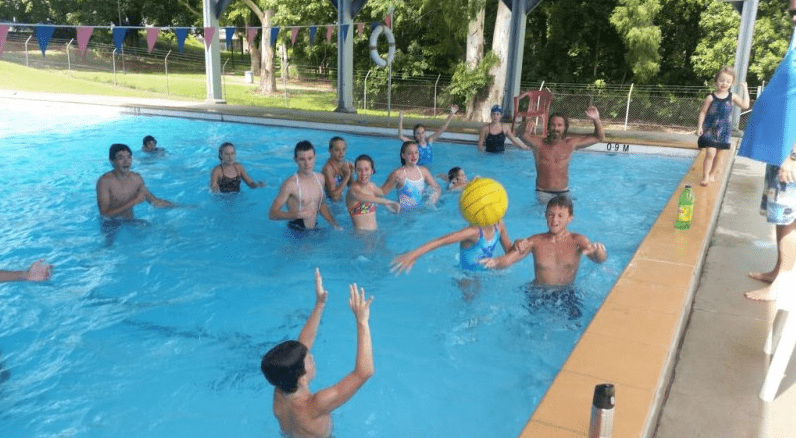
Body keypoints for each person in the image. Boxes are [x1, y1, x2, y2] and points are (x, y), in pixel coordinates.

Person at [260, 268, 374, 438]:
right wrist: (362, 321)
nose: (312, 357)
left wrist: (319, 304)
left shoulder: (279, 388)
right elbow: (364, 373)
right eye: (309, 360)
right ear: (302, 378)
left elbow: (301, 346)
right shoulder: (315, 405)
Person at [741, 0, 796, 301]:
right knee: (781, 216)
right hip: (781, 151)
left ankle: (783, 284)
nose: (792, 13)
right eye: (791, 11)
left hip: (791, 155)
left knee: (788, 218)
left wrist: (792, 156)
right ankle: (778, 270)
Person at [480, 195, 607, 284]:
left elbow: (599, 260)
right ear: (545, 215)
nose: (554, 220)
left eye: (560, 216)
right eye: (551, 214)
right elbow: (509, 259)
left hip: (566, 293)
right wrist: (493, 262)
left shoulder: (578, 241)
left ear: (570, 218)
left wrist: (599, 251)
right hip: (538, 293)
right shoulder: (535, 241)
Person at [521, 106, 606, 203]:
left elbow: (599, 138)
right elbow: (521, 135)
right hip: (543, 193)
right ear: (548, 126)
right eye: (553, 125)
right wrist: (526, 122)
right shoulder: (538, 144)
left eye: (559, 125)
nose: (556, 128)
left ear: (565, 127)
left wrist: (596, 119)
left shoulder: (571, 144)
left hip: (564, 192)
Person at [390, 219, 512, 275]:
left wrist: (519, 245)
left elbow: (510, 253)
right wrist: (413, 255)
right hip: (466, 275)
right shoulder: (473, 232)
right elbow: (441, 241)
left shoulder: (500, 225)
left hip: (489, 272)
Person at [269, 141, 341, 231]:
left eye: (310, 158)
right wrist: (296, 215)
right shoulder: (290, 184)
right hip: (296, 231)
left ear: (315, 157)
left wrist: (334, 224)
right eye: (302, 159)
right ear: (296, 160)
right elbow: (272, 213)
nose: (307, 164)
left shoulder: (320, 179)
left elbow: (321, 205)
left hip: (314, 227)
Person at [697, 66, 750, 186]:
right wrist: (699, 126)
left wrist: (745, 89)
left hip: (724, 131)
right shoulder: (710, 97)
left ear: (731, 83)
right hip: (710, 129)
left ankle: (712, 174)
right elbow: (703, 112)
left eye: (728, 81)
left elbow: (745, 105)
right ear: (716, 81)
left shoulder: (732, 97)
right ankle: (705, 176)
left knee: (719, 155)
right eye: (721, 80)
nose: (724, 83)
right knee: (710, 153)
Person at [96, 144, 174, 219]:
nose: (126, 162)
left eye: (129, 157)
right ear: (112, 161)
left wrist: (181, 207)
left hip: (129, 221)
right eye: (120, 158)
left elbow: (154, 201)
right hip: (109, 224)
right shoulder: (104, 182)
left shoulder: (136, 178)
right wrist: (134, 202)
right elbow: (104, 214)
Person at [381, 141, 441, 210]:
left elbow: (437, 188)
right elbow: (380, 194)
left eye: (416, 152)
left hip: (420, 214)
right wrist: (389, 204)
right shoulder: (398, 174)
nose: (414, 156)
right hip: (402, 216)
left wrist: (432, 200)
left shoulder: (423, 171)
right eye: (410, 153)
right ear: (403, 155)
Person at [346, 155, 400, 231]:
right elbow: (362, 197)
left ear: (371, 171)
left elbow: (382, 192)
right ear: (355, 171)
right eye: (359, 170)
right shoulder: (353, 189)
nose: (363, 173)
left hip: (376, 232)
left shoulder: (372, 186)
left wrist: (394, 181)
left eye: (366, 169)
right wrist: (386, 202)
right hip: (361, 236)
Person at [321, 136, 354, 201]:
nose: (341, 153)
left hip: (339, 201)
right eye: (337, 150)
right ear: (330, 151)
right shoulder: (328, 169)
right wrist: (347, 176)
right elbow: (334, 197)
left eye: (343, 149)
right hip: (327, 202)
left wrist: (350, 173)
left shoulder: (344, 165)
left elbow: (352, 187)